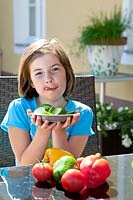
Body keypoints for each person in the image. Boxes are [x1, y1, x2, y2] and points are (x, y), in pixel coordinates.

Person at [0, 38, 94, 166]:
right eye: (39, 73)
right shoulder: (19, 108)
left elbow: (67, 166)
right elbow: (24, 164)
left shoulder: (82, 113)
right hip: (26, 182)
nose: (48, 79)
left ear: (66, 73)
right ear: (31, 82)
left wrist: (59, 131)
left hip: (63, 182)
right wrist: (42, 132)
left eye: (55, 69)